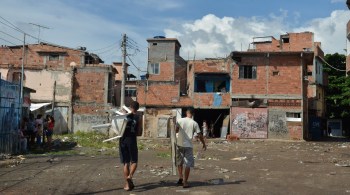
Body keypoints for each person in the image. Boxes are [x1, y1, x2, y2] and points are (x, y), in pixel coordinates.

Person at [175, 108, 206, 188]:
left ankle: (180, 178)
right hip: (188, 145)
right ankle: (185, 182)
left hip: (179, 144)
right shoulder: (194, 123)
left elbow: (176, 130)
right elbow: (199, 135)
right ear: (192, 114)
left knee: (180, 162)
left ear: (186, 113)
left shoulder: (180, 120)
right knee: (188, 164)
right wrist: (203, 143)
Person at [119, 101, 140, 191]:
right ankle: (130, 177)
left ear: (130, 107)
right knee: (134, 161)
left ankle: (127, 185)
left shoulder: (125, 115)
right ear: (137, 108)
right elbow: (139, 132)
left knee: (126, 162)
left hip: (123, 139)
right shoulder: (139, 117)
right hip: (132, 139)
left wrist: (123, 113)